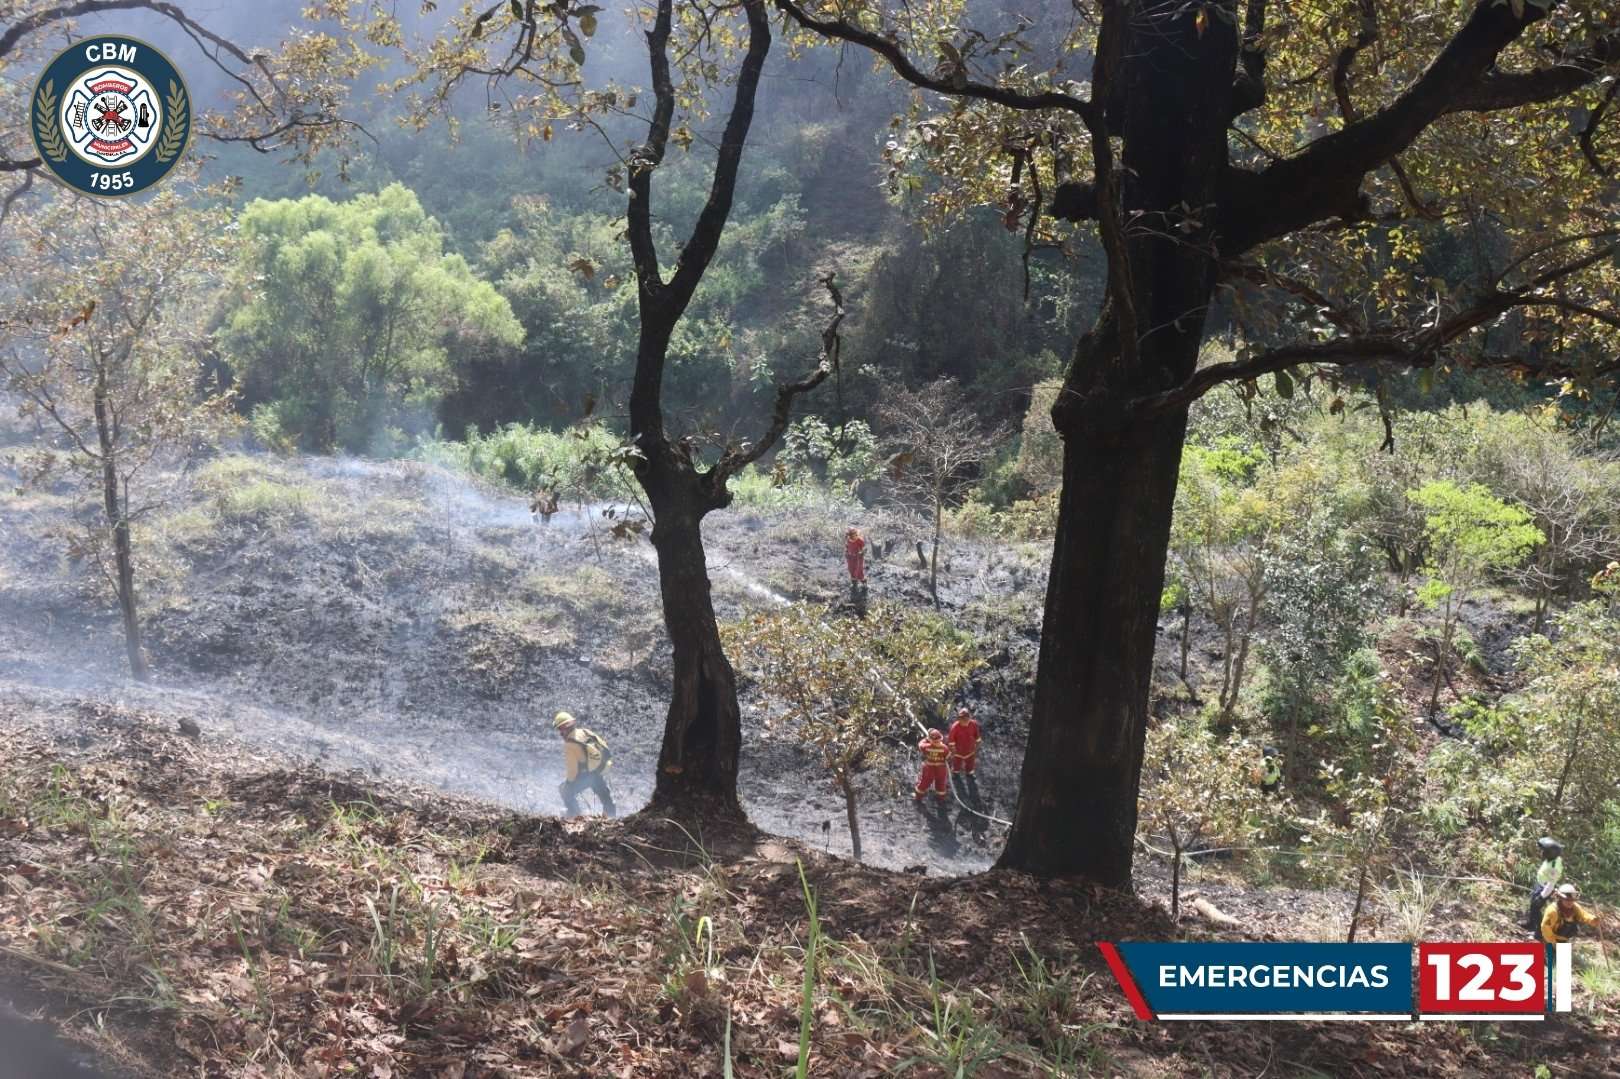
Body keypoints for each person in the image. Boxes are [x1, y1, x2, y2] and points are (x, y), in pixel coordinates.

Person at [553, 711, 616, 817]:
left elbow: (572, 771)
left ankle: (575, 815)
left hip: (586, 775)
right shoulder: (585, 732)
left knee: (565, 791)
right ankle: (612, 817)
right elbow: (603, 745)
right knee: (604, 795)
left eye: (560, 729)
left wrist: (568, 783)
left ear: (565, 727)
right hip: (598, 771)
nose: (560, 733)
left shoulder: (570, 744)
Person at [1526, 836, 1563, 933]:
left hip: (1544, 889)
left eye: (1544, 851)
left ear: (1550, 853)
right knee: (1532, 905)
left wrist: (1542, 897)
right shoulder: (1552, 859)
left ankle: (1539, 932)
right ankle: (1531, 924)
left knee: (1536, 908)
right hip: (1540, 884)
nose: (1541, 853)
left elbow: (1550, 885)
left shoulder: (1554, 868)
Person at [947, 707, 982, 797]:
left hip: (970, 750)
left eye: (967, 719)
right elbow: (951, 740)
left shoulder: (973, 724)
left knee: (970, 763)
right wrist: (953, 750)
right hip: (958, 751)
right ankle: (956, 773)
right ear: (959, 719)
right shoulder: (955, 727)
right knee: (957, 763)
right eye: (963, 719)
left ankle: (969, 773)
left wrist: (977, 744)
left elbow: (977, 735)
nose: (965, 721)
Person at [914, 728, 950, 804]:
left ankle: (918, 797)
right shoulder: (944, 748)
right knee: (941, 784)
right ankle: (941, 799)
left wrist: (926, 739)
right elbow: (948, 758)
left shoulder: (926, 747)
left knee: (924, 783)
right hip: (941, 769)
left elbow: (920, 745)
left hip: (929, 769)